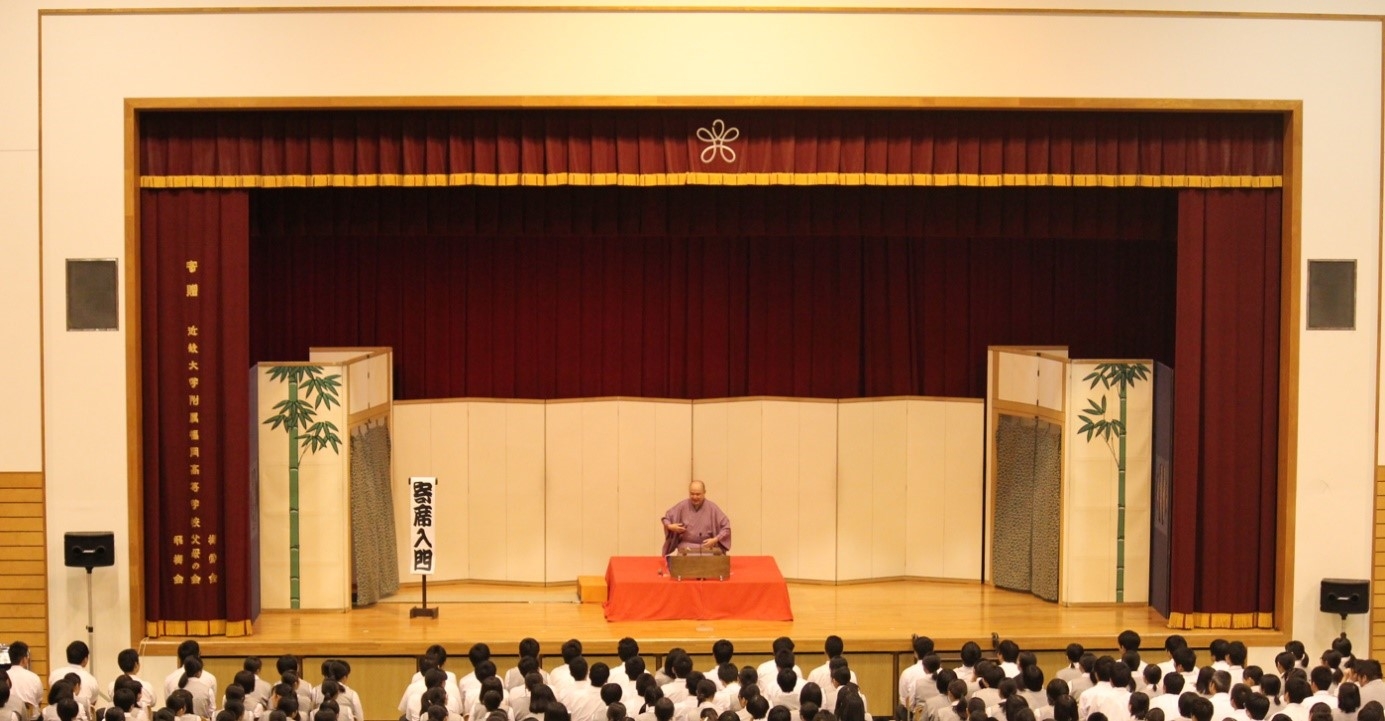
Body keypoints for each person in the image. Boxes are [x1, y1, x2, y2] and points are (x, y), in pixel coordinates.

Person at [661, 481, 731, 556]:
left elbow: (726, 527)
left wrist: (715, 540)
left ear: (704, 493)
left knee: (710, 562)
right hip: (686, 546)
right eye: (692, 494)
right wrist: (670, 526)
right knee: (682, 562)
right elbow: (666, 518)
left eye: (698, 494)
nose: (695, 497)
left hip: (707, 546)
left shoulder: (712, 508)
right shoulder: (682, 506)